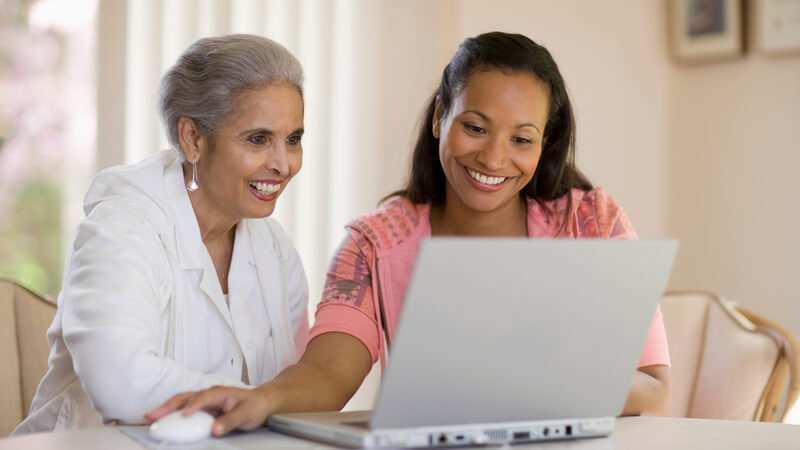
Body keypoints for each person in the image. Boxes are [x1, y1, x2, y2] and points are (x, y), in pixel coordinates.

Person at [147, 31, 670, 436]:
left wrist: (534, 380)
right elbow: (328, 372)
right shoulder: (374, 244)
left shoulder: (593, 223)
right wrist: (259, 399)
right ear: (441, 116)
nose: (493, 158)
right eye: (476, 127)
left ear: (545, 142)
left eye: (521, 138)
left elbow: (653, 391)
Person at [13, 34, 309, 434]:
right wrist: (258, 400)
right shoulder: (120, 228)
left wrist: (273, 400)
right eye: (258, 139)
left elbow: (291, 394)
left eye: (293, 139)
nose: (284, 163)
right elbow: (121, 382)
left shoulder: (276, 251)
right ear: (193, 139)